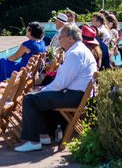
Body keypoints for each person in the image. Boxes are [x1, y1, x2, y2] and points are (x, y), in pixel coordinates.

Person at [15, 24, 97, 152]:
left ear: (71, 38)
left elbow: (60, 84)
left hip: (74, 96)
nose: (59, 40)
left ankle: (33, 141)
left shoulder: (75, 54)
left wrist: (42, 91)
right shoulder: (80, 50)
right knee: (39, 97)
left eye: (62, 37)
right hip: (77, 94)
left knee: (30, 99)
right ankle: (44, 136)